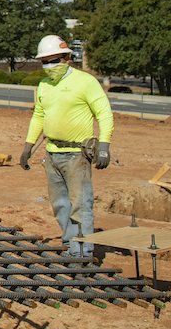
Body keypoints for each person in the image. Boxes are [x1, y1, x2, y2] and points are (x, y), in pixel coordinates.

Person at [19, 34, 114, 259]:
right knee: (60, 204)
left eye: (53, 61)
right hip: (52, 153)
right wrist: (27, 146)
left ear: (66, 58)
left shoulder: (85, 82)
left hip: (76, 154)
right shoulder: (44, 85)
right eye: (44, 62)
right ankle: (71, 244)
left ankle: (83, 251)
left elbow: (104, 113)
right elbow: (38, 116)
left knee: (80, 204)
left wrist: (104, 145)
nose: (49, 66)